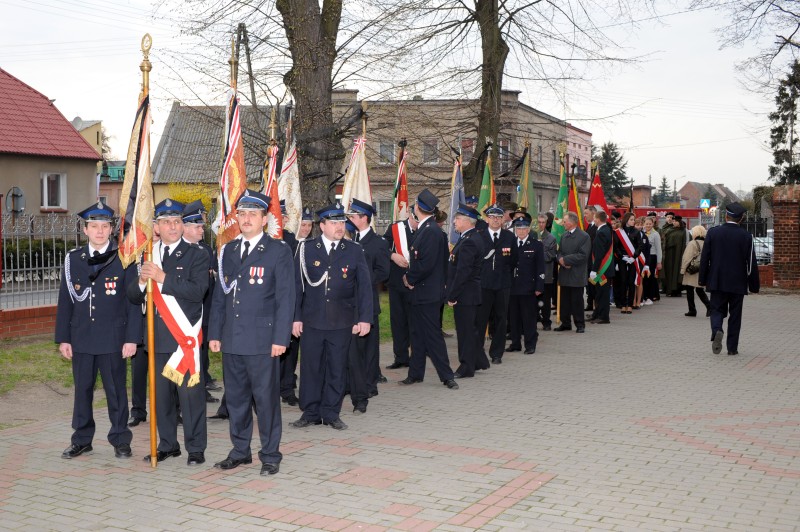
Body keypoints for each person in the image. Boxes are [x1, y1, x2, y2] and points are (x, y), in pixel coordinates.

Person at [208, 189, 295, 475]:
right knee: (236, 399)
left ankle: (270, 453)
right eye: (242, 214)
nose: (246, 219)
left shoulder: (278, 251)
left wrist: (281, 339)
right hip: (232, 338)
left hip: (262, 340)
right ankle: (240, 450)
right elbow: (220, 295)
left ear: (265, 219)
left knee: (266, 401)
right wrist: (215, 333)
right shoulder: (228, 250)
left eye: (253, 214)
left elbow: (286, 298)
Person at [127, 198, 210, 465]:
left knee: (190, 398)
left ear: (182, 225)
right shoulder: (147, 253)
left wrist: (163, 278)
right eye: (166, 222)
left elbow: (198, 291)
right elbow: (131, 296)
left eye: (177, 221)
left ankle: (195, 448)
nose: (172, 227)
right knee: (162, 398)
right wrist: (142, 280)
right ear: (157, 227)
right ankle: (167, 445)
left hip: (183, 338)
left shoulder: (198, 254)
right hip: (157, 337)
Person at [56, 201, 141, 460]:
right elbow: (66, 301)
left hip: (113, 338)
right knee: (82, 390)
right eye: (94, 226)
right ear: (85, 230)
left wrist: (131, 339)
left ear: (112, 230)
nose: (100, 231)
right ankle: (81, 439)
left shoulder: (124, 259)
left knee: (116, 390)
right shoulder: (74, 259)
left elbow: (133, 303)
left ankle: (120, 439)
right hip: (81, 337)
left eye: (105, 226)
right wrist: (63, 338)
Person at [291, 202, 373, 430]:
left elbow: (364, 287)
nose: (340, 226)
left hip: (342, 321)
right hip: (312, 320)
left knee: (337, 368)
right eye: (334, 222)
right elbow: (297, 287)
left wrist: (364, 318)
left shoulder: (354, 249)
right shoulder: (306, 249)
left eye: (342, 222)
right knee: (310, 367)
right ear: (323, 225)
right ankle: (310, 412)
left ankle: (331, 412)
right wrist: (295, 317)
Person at [400, 189, 458, 389]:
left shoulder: (431, 231)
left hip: (426, 292)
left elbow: (426, 264)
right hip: (421, 292)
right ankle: (416, 373)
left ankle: (447, 376)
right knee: (416, 334)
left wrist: (409, 277)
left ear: (417, 207)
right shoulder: (427, 229)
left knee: (432, 335)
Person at [346, 198, 390, 412]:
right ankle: (352, 383)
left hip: (368, 302)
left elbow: (384, 271)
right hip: (348, 304)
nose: (350, 220)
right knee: (352, 347)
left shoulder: (378, 242)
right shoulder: (350, 239)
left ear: (364, 218)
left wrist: (362, 280)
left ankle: (370, 384)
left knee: (369, 347)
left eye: (353, 217)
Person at [699, 202, 759, 355]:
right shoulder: (746, 236)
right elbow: (751, 263)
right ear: (741, 218)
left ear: (726, 216)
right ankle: (732, 348)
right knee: (735, 315)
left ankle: (717, 329)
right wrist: (754, 285)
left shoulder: (713, 233)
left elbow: (705, 258)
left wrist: (702, 279)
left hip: (717, 279)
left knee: (716, 309)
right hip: (738, 282)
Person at [181, 200, 220, 404]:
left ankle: (201, 389)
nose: (202, 227)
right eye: (198, 224)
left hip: (205, 310)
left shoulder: (205, 250)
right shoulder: (178, 250)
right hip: (182, 316)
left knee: (201, 354)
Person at [475, 203, 518, 364]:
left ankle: (496, 353)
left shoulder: (509, 237)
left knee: (501, 319)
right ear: (487, 219)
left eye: (499, 217)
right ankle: (478, 352)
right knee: (481, 319)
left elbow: (513, 260)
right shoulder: (479, 235)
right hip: (484, 284)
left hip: (502, 283)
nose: (495, 220)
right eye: (492, 217)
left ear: (502, 220)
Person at [446, 204, 484, 378]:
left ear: (468, 221)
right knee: (471, 330)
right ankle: (478, 361)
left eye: (458, 218)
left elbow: (463, 272)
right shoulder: (469, 237)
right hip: (469, 293)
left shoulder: (469, 241)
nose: (454, 221)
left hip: (465, 294)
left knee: (465, 332)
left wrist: (452, 295)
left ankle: (466, 367)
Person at [128, 222, 159, 427]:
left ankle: (170, 410)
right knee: (138, 370)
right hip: (140, 320)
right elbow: (129, 293)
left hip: (164, 321)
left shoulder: (167, 254)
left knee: (164, 370)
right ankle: (138, 411)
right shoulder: (133, 258)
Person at [383, 208, 418, 370]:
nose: (417, 222)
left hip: (417, 284)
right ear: (410, 215)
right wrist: (392, 255)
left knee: (415, 322)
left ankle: (416, 357)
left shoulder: (427, 230)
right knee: (398, 322)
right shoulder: (395, 228)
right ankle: (401, 357)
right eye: (415, 218)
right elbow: (382, 248)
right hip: (397, 284)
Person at [507, 214, 544, 354]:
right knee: (513, 318)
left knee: (528, 318)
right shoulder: (510, 244)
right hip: (512, 287)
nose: (521, 231)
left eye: (524, 228)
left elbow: (540, 268)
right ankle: (515, 343)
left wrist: (539, 287)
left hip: (529, 288)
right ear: (515, 229)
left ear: (528, 229)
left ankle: (530, 344)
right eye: (518, 228)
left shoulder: (536, 245)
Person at [553, 212, 591, 333]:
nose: (563, 223)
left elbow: (583, 255)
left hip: (576, 274)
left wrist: (567, 260)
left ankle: (580, 324)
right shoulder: (564, 236)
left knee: (577, 301)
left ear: (572, 222)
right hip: (564, 273)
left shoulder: (584, 236)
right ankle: (565, 323)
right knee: (564, 301)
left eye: (565, 221)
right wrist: (560, 260)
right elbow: (559, 252)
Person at [587, 210, 614, 324]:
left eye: (594, 218)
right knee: (598, 293)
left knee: (602, 294)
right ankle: (597, 314)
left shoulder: (602, 232)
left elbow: (599, 253)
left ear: (598, 219)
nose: (593, 220)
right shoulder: (606, 230)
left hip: (603, 269)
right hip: (604, 268)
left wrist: (594, 269)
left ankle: (603, 317)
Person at [615, 212, 643, 314]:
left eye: (633, 219)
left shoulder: (636, 232)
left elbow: (640, 246)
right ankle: (623, 304)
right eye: (631, 219)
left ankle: (630, 305)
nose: (633, 221)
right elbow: (616, 247)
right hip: (622, 260)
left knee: (631, 282)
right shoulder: (618, 232)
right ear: (626, 220)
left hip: (633, 260)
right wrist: (622, 257)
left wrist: (634, 257)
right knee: (622, 282)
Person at [681, 224, 711, 318]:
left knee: (690, 289)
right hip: (702, 269)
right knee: (699, 289)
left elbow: (687, 257)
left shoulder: (692, 243)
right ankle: (709, 307)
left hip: (692, 270)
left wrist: (683, 269)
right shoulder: (707, 242)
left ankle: (692, 310)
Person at [536, 214, 556, 331]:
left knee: (545, 301)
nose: (541, 224)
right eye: (539, 222)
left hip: (546, 274)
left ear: (546, 223)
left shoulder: (551, 238)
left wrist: (539, 249)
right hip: (533, 275)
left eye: (543, 222)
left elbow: (550, 256)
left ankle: (546, 322)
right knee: (533, 301)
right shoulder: (532, 236)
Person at [642, 216, 662, 305]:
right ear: (644, 224)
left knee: (650, 277)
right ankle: (643, 296)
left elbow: (659, 248)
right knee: (643, 278)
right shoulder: (641, 233)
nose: (648, 225)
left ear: (653, 224)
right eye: (646, 224)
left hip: (652, 257)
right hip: (643, 257)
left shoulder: (655, 234)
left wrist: (659, 261)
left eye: (650, 224)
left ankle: (650, 297)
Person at [583, 205, 598, 312]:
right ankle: (590, 303)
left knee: (594, 285)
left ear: (593, 214)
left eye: (586, 213)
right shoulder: (589, 226)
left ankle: (595, 306)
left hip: (593, 261)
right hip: (587, 261)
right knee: (589, 285)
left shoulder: (597, 228)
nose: (585, 216)